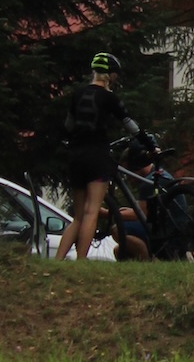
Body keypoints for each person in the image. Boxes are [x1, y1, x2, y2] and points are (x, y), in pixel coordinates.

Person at [54, 54, 137, 261]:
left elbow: (68, 126)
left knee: (78, 216)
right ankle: (81, 260)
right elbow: (131, 125)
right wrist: (149, 144)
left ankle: (57, 260)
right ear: (110, 76)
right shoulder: (109, 98)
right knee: (92, 212)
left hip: (76, 156)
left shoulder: (77, 94)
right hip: (97, 157)